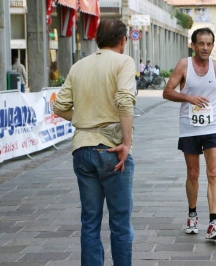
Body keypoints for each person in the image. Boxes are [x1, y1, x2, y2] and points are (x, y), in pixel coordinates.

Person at [53, 18, 136, 266]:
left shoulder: (79, 65)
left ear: (97, 39)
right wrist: (127, 142)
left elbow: (59, 106)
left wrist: (83, 118)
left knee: (89, 222)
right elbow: (124, 100)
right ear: (123, 41)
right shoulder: (124, 62)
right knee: (120, 222)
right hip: (111, 147)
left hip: (82, 148)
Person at [162, 27, 216, 241]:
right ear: (193, 45)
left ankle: (213, 223)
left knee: (213, 172)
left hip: (212, 126)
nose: (205, 48)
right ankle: (192, 215)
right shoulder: (184, 65)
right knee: (193, 173)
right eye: (201, 43)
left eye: (209, 44)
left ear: (213, 46)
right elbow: (167, 91)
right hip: (189, 127)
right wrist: (188, 98)